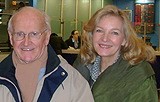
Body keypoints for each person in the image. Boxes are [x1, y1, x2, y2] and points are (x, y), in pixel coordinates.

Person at [0, 6, 94, 102]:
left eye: (34, 34)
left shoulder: (74, 83)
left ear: (47, 37)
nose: (26, 42)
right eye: (20, 34)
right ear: (11, 37)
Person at [73, 5, 158, 102]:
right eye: (99, 30)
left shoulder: (138, 74)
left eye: (114, 33)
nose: (105, 38)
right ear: (92, 35)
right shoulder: (82, 64)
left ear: (124, 40)